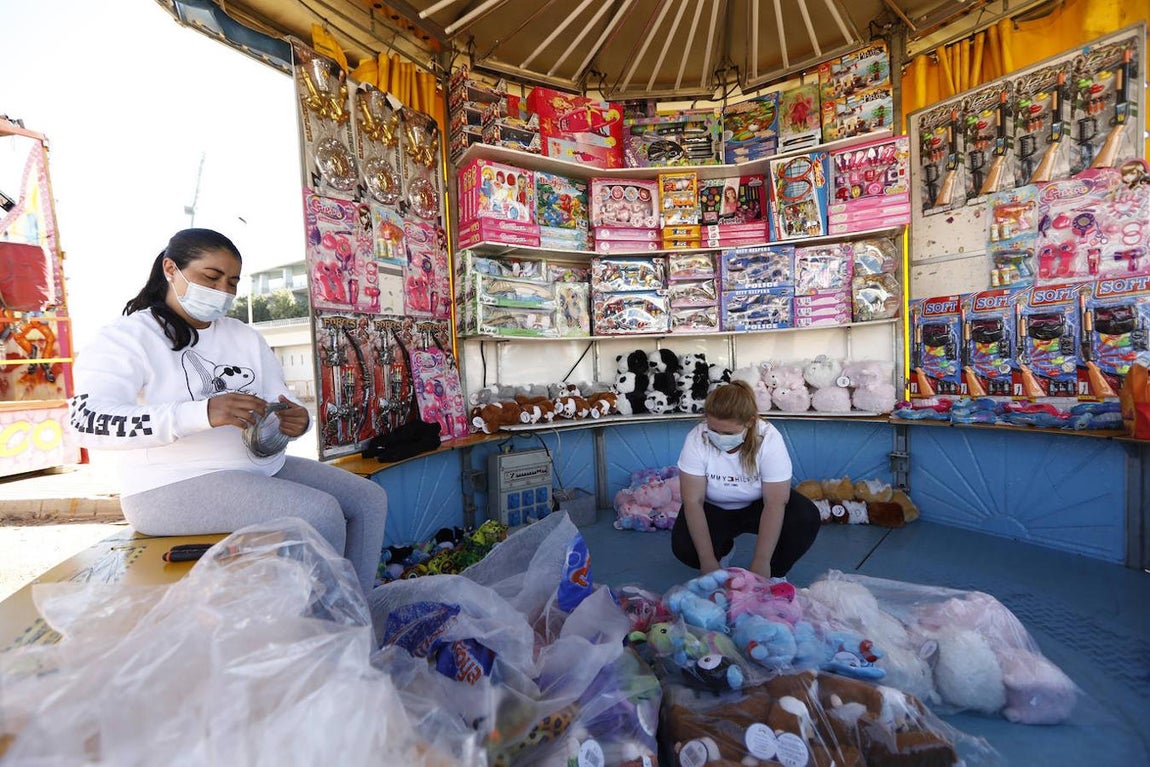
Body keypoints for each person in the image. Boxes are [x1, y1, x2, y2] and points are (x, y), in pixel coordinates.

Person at [68, 228, 387, 593]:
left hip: (259, 469)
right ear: (170, 269)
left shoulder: (243, 336)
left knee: (368, 500)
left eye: (233, 282)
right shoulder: (128, 337)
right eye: (211, 277)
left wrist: (295, 420)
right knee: (320, 513)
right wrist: (202, 413)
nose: (223, 291)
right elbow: (87, 422)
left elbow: (281, 402)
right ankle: (327, 633)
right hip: (170, 484)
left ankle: (356, 610)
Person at [671, 380, 819, 580]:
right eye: (713, 430)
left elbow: (775, 502)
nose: (719, 437)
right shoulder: (697, 438)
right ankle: (721, 551)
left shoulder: (769, 439)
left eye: (728, 433)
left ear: (749, 422)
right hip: (713, 509)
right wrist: (707, 561)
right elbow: (692, 502)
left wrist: (762, 562)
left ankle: (776, 573)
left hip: (757, 507)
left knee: (805, 517)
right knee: (684, 548)